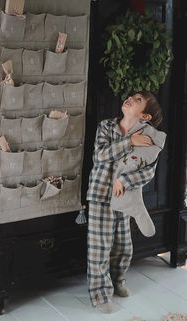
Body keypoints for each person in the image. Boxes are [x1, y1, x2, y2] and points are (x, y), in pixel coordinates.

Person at [86, 91, 164, 313]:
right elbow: (100, 155)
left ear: (145, 116)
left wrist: (124, 180)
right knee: (99, 248)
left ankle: (117, 280)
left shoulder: (148, 136)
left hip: (125, 198)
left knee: (123, 246)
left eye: (138, 100)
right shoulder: (106, 126)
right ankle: (100, 294)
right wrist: (129, 141)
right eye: (131, 96)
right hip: (100, 194)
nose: (130, 98)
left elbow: (148, 170)